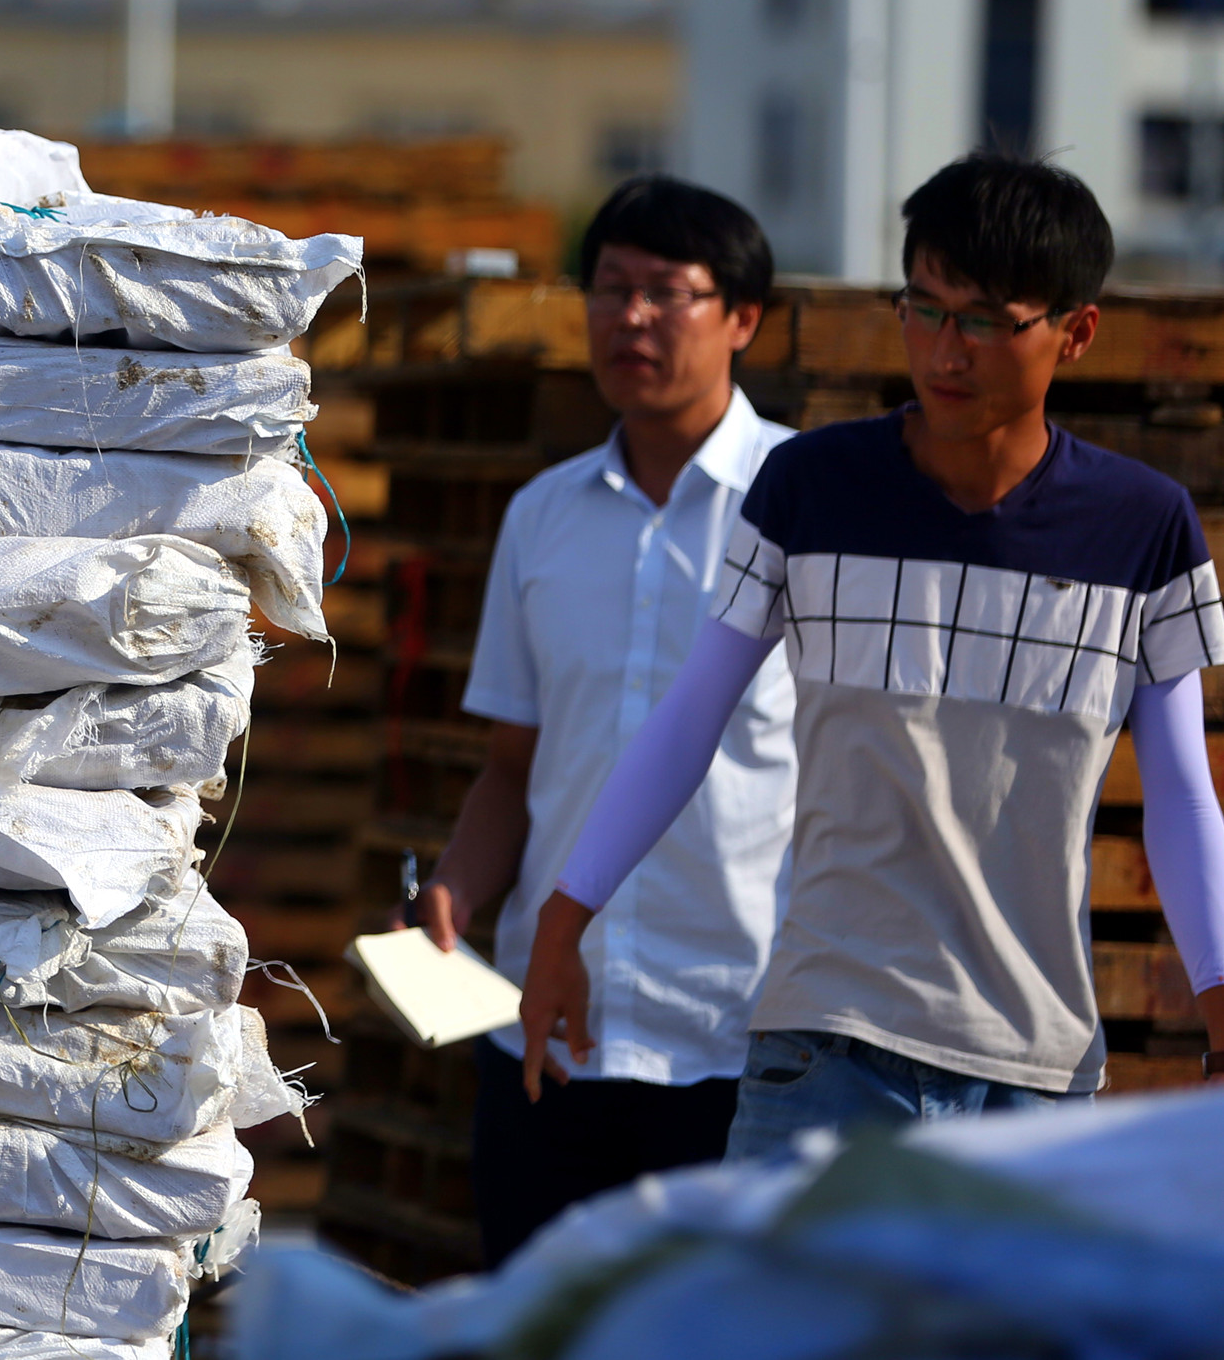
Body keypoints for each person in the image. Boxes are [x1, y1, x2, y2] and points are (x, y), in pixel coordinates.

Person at [519, 152, 1224, 1160]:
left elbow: (1181, 795)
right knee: (778, 1327)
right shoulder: (807, 489)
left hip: (1033, 1079)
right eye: (922, 307)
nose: (944, 349)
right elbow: (686, 724)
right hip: (823, 1053)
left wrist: (1216, 999)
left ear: (1074, 333)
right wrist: (563, 916)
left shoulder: (1141, 529)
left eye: (983, 319)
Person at [398, 174, 796, 1266]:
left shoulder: (805, 507)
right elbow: (508, 768)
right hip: (546, 1040)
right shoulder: (541, 516)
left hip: (736, 1045)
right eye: (609, 289)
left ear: (742, 318)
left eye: (665, 292)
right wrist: (456, 888)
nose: (628, 318)